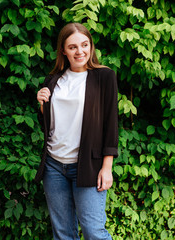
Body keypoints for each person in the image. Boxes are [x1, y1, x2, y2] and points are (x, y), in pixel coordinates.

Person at [35, 22, 118, 240]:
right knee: (63, 233)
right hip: (54, 166)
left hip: (88, 166)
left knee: (94, 231)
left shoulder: (104, 77)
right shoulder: (53, 80)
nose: (80, 51)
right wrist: (42, 107)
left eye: (84, 45)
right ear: (63, 50)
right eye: (73, 47)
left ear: (91, 46)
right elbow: (50, 124)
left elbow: (111, 124)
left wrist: (107, 167)